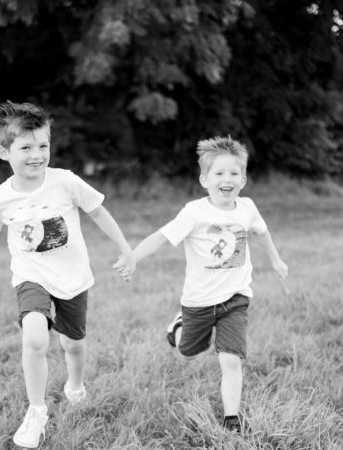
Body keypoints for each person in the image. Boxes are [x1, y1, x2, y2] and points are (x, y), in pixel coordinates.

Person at [0, 100, 136, 449]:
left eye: (42, 146)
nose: (36, 154)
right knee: (34, 339)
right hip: (31, 276)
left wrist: (126, 249)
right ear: (4, 152)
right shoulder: (0, 198)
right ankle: (36, 411)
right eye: (26, 147)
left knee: (73, 344)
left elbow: (99, 213)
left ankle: (75, 384)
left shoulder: (65, 182)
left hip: (73, 277)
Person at [113, 136, 288, 432]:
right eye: (219, 174)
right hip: (199, 301)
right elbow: (160, 237)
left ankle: (231, 419)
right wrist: (132, 257)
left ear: (243, 179)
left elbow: (261, 231)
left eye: (234, 173)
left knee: (230, 360)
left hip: (236, 298)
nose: (227, 179)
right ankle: (179, 326)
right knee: (188, 350)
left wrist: (275, 259)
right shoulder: (194, 212)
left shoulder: (246, 208)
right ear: (204, 179)